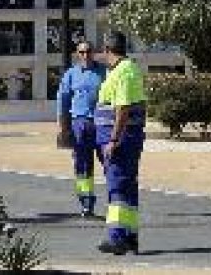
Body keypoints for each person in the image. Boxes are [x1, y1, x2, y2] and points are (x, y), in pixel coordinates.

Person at [93, 34, 147, 255]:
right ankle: (130, 235)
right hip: (124, 137)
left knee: (117, 186)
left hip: (120, 139)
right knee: (127, 186)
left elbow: (122, 108)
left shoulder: (124, 71)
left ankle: (117, 237)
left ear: (107, 49)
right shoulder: (123, 70)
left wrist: (114, 139)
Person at [57, 40, 106, 217]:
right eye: (82, 52)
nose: (85, 55)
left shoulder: (104, 72)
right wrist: (64, 128)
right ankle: (86, 202)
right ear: (77, 54)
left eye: (88, 51)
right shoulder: (71, 74)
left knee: (109, 162)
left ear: (94, 52)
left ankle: (115, 199)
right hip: (79, 123)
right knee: (82, 166)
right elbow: (62, 102)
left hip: (102, 123)